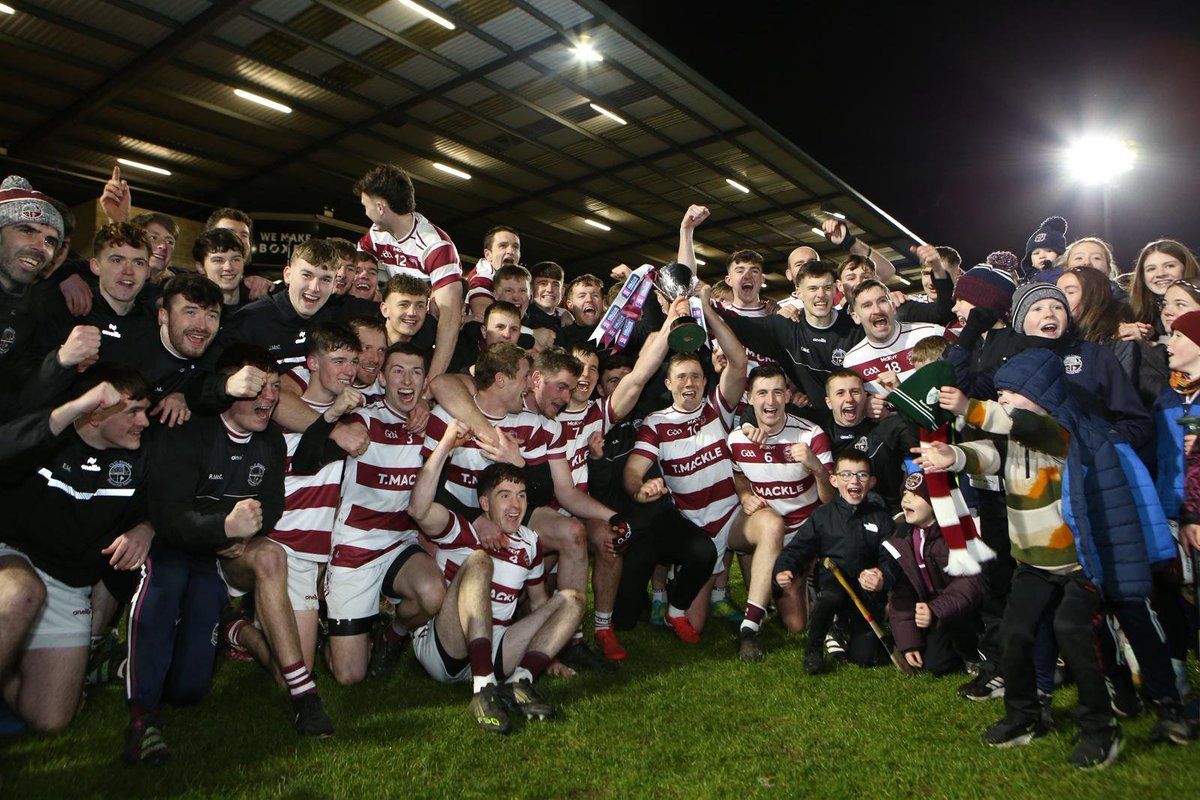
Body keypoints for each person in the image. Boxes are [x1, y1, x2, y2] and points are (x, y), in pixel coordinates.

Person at [917, 348, 1170, 768]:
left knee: (1075, 633)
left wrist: (970, 407)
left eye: (1014, 392)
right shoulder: (1021, 436)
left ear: (1043, 393)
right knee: (1015, 633)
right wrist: (956, 456)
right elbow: (996, 457)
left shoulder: (1061, 430)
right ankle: (1024, 716)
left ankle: (1100, 728)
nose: (1006, 400)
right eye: (1000, 392)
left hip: (1076, 567)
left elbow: (1022, 425)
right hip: (1033, 565)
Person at [125, 344, 288, 763]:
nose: (269, 397)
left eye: (274, 387)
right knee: (164, 584)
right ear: (229, 390)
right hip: (169, 546)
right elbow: (168, 517)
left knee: (188, 692)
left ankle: (227, 623)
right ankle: (141, 718)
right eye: (257, 387)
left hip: (209, 555)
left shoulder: (270, 439)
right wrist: (223, 529)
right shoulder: (187, 429)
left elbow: (271, 504)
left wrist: (242, 533)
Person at [0, 366, 151, 733]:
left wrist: (147, 528)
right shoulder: (49, 439)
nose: (145, 421)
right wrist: (74, 407)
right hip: (11, 558)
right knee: (23, 592)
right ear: (95, 414)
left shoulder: (138, 457)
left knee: (50, 718)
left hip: (68, 582)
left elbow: (169, 503)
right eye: (133, 411)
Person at [408, 421, 585, 733]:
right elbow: (419, 509)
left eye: (520, 495)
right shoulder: (463, 528)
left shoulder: (530, 541)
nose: (515, 505)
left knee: (571, 600)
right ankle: (482, 689)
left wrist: (547, 651)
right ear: (485, 503)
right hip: (447, 647)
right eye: (505, 496)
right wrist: (447, 444)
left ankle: (521, 682)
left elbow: (539, 601)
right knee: (479, 562)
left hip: (497, 651)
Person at [624, 287, 768, 650]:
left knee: (768, 525)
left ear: (705, 382)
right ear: (669, 383)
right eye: (681, 377)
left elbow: (738, 362)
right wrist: (638, 488)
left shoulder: (716, 408)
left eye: (695, 377)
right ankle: (676, 587)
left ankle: (754, 616)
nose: (689, 383)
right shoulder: (655, 422)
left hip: (730, 519)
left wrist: (708, 310)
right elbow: (633, 470)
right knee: (694, 626)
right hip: (695, 528)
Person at [298, 342, 445, 685]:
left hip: (399, 542)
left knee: (434, 594)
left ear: (425, 382)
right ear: (382, 377)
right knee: (349, 675)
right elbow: (306, 461)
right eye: (397, 370)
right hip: (355, 547)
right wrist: (332, 421)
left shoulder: (430, 425)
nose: (407, 380)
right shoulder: (362, 419)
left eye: (416, 372)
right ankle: (329, 628)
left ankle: (392, 633)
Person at [729, 365, 834, 633]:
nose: (770, 401)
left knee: (797, 625)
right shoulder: (737, 440)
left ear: (788, 395)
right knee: (769, 523)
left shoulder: (811, 435)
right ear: (749, 398)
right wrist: (744, 495)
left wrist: (817, 468)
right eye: (762, 393)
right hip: (767, 527)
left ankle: (799, 576)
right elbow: (738, 475)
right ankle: (753, 615)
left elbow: (831, 500)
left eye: (778, 392)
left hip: (801, 536)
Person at [772, 450, 894, 674]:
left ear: (872, 482)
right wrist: (784, 569)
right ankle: (813, 649)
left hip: (866, 593)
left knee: (864, 658)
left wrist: (881, 577)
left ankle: (842, 628)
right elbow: (798, 549)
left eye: (862, 475)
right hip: (834, 579)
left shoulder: (881, 519)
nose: (854, 481)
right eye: (846, 474)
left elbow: (892, 560)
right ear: (834, 480)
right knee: (831, 595)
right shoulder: (822, 516)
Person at [354, 164, 461, 382]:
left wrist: (432, 381)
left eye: (366, 205)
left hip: (426, 332)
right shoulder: (376, 234)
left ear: (381, 207)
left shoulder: (435, 246)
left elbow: (449, 319)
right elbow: (356, 273)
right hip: (395, 322)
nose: (365, 212)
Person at [882, 472, 983, 675]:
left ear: (936, 503)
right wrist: (909, 643)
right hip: (934, 615)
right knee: (936, 665)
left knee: (961, 625)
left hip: (966, 612)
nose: (906, 500)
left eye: (916, 496)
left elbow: (970, 584)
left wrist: (935, 609)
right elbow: (902, 593)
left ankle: (976, 653)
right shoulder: (904, 537)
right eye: (905, 494)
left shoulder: (955, 536)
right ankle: (954, 650)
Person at [0, 175, 65, 419]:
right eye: (27, 230)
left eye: (50, 240)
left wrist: (60, 363)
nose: (41, 247)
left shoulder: (35, 310)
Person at [842, 278, 945, 394]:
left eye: (882, 301)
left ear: (893, 307)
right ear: (856, 317)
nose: (877, 310)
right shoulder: (852, 361)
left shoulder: (932, 334)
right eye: (867, 305)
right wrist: (865, 407)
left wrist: (902, 393)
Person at [1125, 239, 1200, 341]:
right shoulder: (1132, 312)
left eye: (1169, 266)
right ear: (1142, 276)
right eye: (1151, 269)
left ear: (1186, 267)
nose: (1160, 274)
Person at [465, 225, 521, 319]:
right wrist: (533, 332)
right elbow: (487, 319)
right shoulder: (481, 280)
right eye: (503, 246)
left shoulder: (521, 278)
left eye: (515, 247)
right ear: (488, 254)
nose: (511, 251)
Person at [193, 228, 251, 312]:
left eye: (235, 259)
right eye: (218, 260)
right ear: (201, 267)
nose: (228, 267)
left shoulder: (263, 303)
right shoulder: (193, 309)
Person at [1020, 216, 1068, 282]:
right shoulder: (1032, 277)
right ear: (1030, 261)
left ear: (1060, 255)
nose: (1042, 256)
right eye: (1036, 253)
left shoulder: (1060, 276)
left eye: (1049, 251)